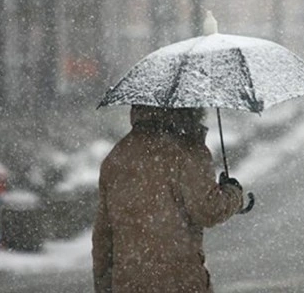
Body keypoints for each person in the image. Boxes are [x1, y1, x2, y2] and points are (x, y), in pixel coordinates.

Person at [92, 105, 244, 293]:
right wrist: (233, 193)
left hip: (128, 282)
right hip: (179, 280)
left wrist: (103, 284)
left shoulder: (117, 155)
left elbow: (103, 234)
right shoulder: (189, 150)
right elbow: (208, 210)